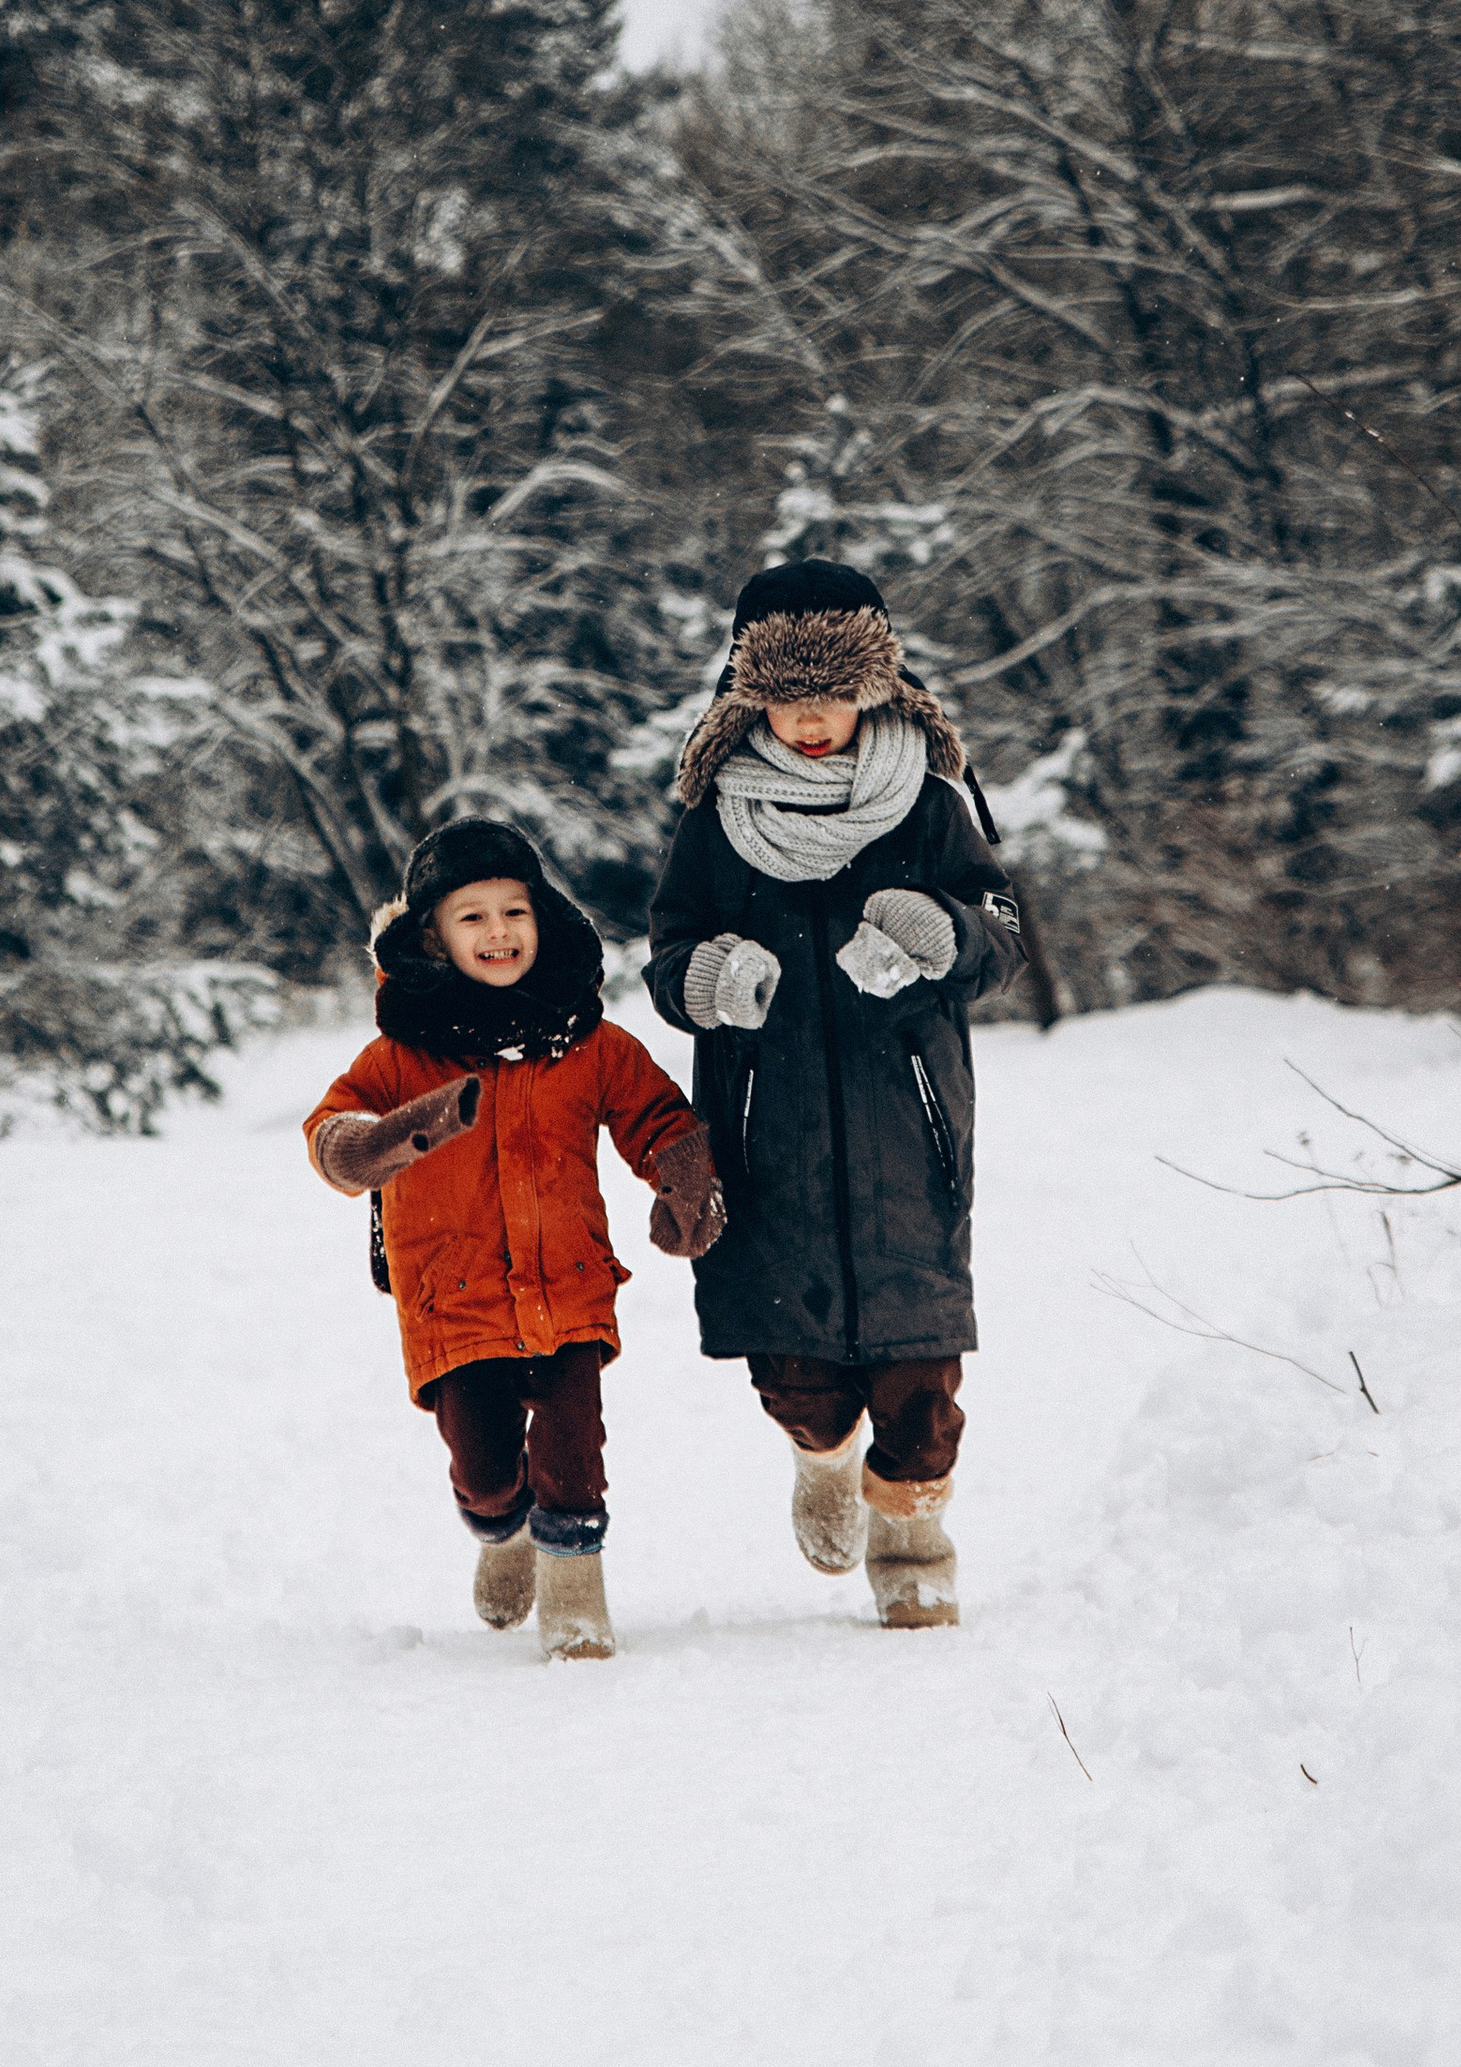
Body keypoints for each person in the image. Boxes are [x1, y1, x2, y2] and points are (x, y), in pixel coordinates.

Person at [645, 560, 1023, 1627]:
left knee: (922, 1368)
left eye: (833, 694)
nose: (811, 720)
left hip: (908, 1123)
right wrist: (711, 979)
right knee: (796, 1378)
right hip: (770, 1136)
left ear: (878, 686)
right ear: (744, 694)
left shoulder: (930, 803)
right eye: (784, 697)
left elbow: (1002, 938)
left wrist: (946, 937)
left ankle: (909, 1538)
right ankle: (823, 1454)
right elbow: (667, 954)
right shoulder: (716, 818)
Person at [306, 817, 722, 1661]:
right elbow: (334, 1134)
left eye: (515, 912)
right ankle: (503, 1534)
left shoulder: (585, 1040)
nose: (499, 932)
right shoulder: (399, 1056)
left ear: (545, 919)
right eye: (473, 917)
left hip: (567, 1286)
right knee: (487, 1474)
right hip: (454, 1302)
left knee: (575, 1457)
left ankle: (576, 1602)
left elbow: (655, 1113)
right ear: (432, 935)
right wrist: (381, 1140)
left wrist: (684, 1179)